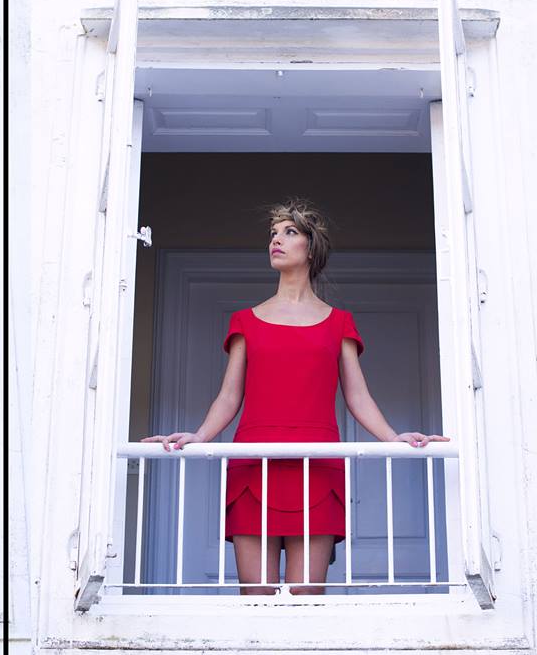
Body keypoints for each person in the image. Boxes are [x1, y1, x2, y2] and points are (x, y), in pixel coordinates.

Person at [141, 199, 449, 595]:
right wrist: (199, 438)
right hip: (253, 466)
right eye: (273, 233)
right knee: (257, 596)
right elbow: (229, 396)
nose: (276, 240)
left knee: (307, 597)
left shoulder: (339, 323)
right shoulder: (245, 321)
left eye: (289, 232)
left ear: (311, 247)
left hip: (317, 467)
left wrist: (393, 438)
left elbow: (358, 396)